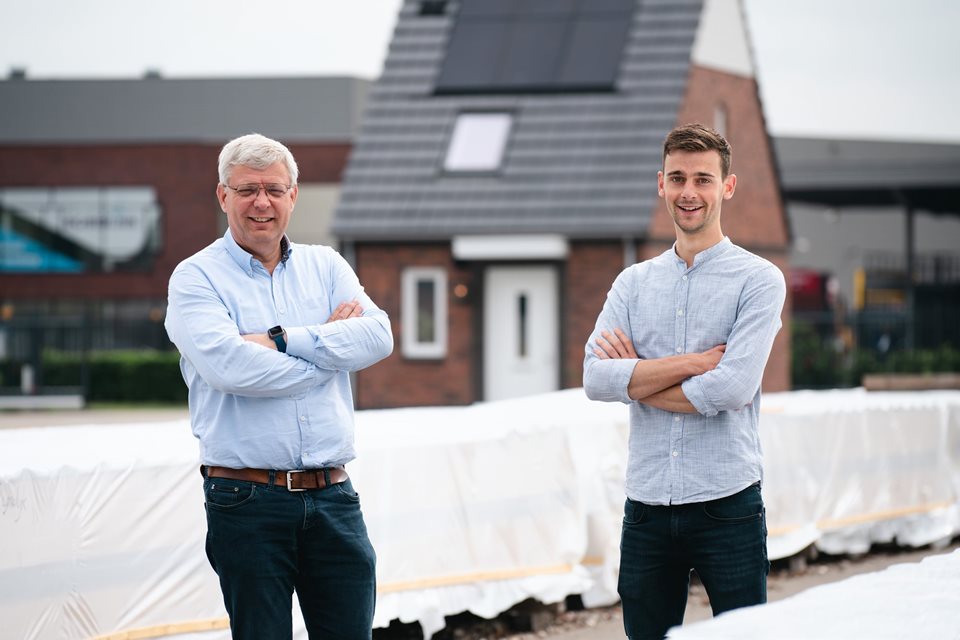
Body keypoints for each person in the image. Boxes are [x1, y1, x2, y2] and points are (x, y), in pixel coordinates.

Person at [165, 133, 393, 639]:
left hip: (334, 497)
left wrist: (280, 339)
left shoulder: (327, 265)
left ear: (294, 195)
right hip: (246, 499)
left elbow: (378, 336)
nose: (261, 202)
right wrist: (330, 355)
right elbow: (231, 369)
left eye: (273, 189)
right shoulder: (195, 278)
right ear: (222, 196)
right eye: (246, 190)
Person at [582, 123, 786, 639]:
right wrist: (694, 363)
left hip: (728, 505)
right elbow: (595, 378)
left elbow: (733, 389)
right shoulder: (632, 283)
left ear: (728, 186)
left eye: (702, 179)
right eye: (677, 178)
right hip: (647, 509)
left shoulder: (758, 280)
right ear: (661, 184)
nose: (689, 192)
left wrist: (639, 378)